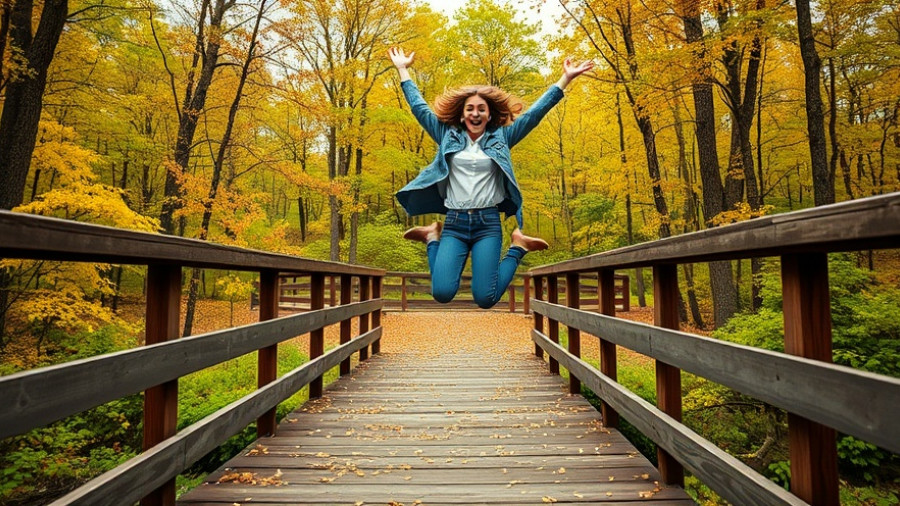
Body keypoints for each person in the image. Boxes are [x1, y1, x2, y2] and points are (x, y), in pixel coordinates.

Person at [389, 47, 593, 309]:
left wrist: (564, 80)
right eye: (470, 109)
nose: (475, 113)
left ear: (489, 115)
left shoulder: (503, 138)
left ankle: (517, 247)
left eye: (481, 109)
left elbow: (533, 116)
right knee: (441, 292)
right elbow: (419, 108)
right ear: (462, 115)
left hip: (488, 224)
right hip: (455, 222)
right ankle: (432, 237)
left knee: (486, 298)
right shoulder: (446, 136)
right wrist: (403, 69)